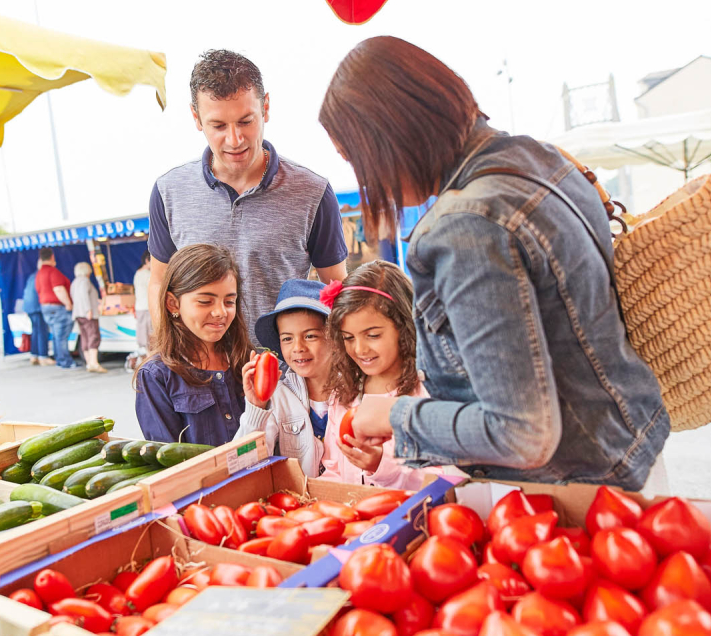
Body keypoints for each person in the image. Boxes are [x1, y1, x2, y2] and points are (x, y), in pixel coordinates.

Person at [319, 36, 669, 491]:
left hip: (574, 487)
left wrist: (396, 415)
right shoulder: (539, 159)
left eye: (356, 158)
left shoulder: (467, 225)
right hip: (627, 447)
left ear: (391, 137)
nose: (364, 177)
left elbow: (521, 432)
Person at [146, 49, 350, 341]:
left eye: (246, 121)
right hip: (200, 375)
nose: (235, 139)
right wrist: (168, 351)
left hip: (282, 376)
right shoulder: (169, 191)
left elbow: (336, 288)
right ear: (196, 117)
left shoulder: (312, 191)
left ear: (265, 107)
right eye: (218, 126)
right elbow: (159, 283)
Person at [319, 261, 429, 491]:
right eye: (348, 338)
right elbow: (334, 469)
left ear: (404, 327)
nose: (359, 349)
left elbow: (439, 476)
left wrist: (381, 464)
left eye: (372, 335)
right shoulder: (344, 395)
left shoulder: (426, 392)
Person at [135, 244, 247, 445]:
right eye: (205, 301)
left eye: (229, 302)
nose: (220, 312)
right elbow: (167, 458)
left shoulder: (246, 358)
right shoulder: (156, 376)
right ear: (173, 304)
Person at [238, 279, 332, 478]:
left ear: (334, 337)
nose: (298, 347)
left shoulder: (355, 391)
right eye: (287, 338)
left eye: (310, 336)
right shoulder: (278, 396)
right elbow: (244, 465)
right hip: (299, 504)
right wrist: (256, 407)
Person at [35, 248, 77, 370]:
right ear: (52, 257)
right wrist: (68, 303)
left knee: (56, 335)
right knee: (61, 335)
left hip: (45, 307)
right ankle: (65, 361)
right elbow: (58, 289)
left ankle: (60, 359)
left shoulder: (39, 274)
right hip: (57, 307)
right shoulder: (52, 272)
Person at [70, 261, 107, 374]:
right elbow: (84, 296)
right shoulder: (84, 281)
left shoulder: (75, 282)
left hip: (78, 314)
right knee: (93, 336)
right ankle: (93, 362)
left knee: (85, 337)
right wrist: (88, 310)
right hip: (87, 314)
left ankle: (89, 362)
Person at [21, 262, 52, 365]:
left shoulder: (32, 276)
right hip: (37, 307)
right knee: (42, 331)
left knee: (35, 331)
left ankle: (34, 355)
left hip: (29, 307)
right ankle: (43, 356)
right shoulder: (41, 276)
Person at [132, 251, 153, 367]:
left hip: (140, 308)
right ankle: (150, 360)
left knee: (145, 336)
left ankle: (149, 359)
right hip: (147, 308)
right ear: (147, 261)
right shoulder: (146, 274)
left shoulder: (137, 273)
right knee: (150, 336)